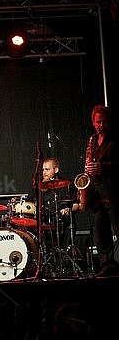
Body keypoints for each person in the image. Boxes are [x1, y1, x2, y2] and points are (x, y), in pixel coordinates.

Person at [69, 105, 119, 277]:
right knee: (100, 230)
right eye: (98, 122)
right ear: (93, 122)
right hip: (97, 190)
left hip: (112, 188)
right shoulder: (92, 140)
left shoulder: (114, 139)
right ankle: (108, 263)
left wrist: (102, 167)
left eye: (104, 122)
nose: (101, 125)